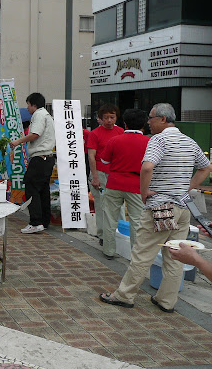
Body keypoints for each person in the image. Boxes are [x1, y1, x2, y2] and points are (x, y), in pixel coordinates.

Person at [100, 103, 212, 313]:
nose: (148, 123)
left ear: (162, 119)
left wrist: (144, 193)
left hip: (160, 207)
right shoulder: (189, 141)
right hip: (182, 208)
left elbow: (148, 167)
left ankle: (124, 295)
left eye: (151, 118)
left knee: (143, 253)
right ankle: (166, 300)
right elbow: (206, 167)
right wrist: (187, 187)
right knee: (176, 256)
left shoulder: (158, 140)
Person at [99, 109, 149, 260]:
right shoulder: (149, 142)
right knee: (137, 221)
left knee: (110, 218)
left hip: (114, 183)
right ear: (143, 126)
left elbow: (104, 161)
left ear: (125, 124)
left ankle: (108, 250)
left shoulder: (115, 140)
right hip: (136, 185)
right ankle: (136, 254)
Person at [9, 93, 56, 234]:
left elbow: (35, 133)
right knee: (43, 190)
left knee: (31, 188)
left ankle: (35, 222)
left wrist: (18, 141)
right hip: (47, 158)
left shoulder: (39, 115)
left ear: (33, 105)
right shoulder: (47, 115)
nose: (28, 108)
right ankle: (44, 221)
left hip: (40, 157)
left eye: (28, 105)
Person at [87, 104, 124, 245]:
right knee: (102, 204)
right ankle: (103, 235)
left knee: (119, 204)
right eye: (106, 117)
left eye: (112, 117)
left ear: (116, 117)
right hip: (100, 173)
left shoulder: (121, 132)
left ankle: (120, 232)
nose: (109, 120)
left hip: (116, 174)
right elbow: (91, 156)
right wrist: (95, 176)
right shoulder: (95, 134)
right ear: (101, 119)